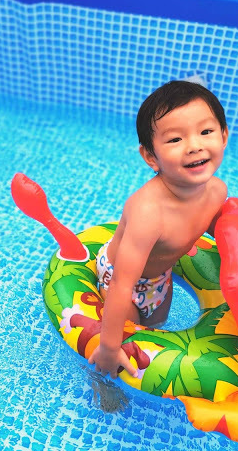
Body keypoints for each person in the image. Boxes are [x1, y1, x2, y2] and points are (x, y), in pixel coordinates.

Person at [88, 80, 229, 378]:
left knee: (156, 328)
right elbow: (122, 284)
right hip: (121, 280)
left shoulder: (217, 192)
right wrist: (109, 348)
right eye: (175, 139)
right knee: (126, 343)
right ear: (151, 157)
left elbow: (222, 231)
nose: (194, 146)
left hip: (160, 277)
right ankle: (103, 385)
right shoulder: (148, 213)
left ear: (224, 136)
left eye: (206, 132)